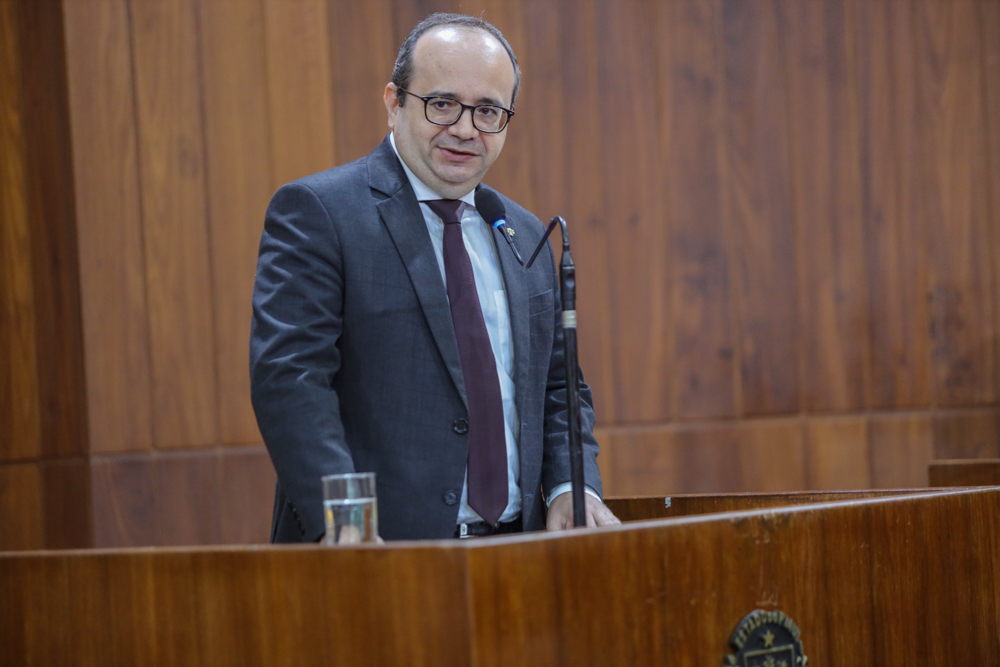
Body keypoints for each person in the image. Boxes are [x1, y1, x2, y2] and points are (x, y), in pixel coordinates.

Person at [250, 13, 619, 542]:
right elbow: (291, 379)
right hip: (376, 553)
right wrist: (346, 522)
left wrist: (569, 487)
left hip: (520, 549)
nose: (466, 129)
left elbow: (559, 386)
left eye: (488, 110)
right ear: (394, 102)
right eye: (442, 104)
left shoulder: (523, 232)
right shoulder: (321, 213)